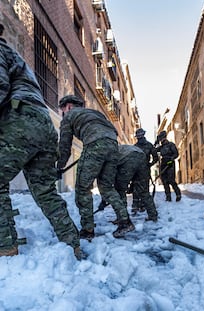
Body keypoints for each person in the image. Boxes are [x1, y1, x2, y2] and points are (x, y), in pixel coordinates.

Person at [0, 24, 81, 259]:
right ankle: (72, 242)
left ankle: (5, 245)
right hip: (44, 125)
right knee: (45, 191)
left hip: (19, 120)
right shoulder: (13, 55)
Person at [57, 95, 135, 240]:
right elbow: (113, 132)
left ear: (68, 107)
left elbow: (64, 146)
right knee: (106, 187)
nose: (64, 113)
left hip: (94, 144)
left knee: (82, 188)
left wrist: (59, 167)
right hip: (113, 146)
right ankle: (125, 222)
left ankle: (87, 230)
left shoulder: (69, 116)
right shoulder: (95, 114)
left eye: (63, 110)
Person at [98, 144, 158, 222]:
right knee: (143, 191)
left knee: (120, 190)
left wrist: (103, 201)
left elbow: (108, 182)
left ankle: (122, 218)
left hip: (129, 158)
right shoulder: (113, 150)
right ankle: (153, 215)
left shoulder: (106, 159)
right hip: (141, 156)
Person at [132, 128, 159, 214]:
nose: (139, 137)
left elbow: (156, 158)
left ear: (143, 135)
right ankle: (135, 205)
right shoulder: (135, 147)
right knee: (135, 187)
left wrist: (149, 165)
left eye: (140, 135)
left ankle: (143, 205)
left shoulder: (149, 145)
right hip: (136, 171)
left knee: (144, 189)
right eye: (138, 136)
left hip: (145, 171)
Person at [155, 130, 181, 202]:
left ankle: (178, 194)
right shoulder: (161, 147)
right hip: (163, 163)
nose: (161, 140)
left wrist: (171, 159)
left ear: (165, 138)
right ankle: (168, 196)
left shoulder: (171, 145)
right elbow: (154, 150)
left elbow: (176, 154)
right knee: (164, 181)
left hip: (170, 163)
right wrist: (156, 142)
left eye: (161, 138)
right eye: (160, 139)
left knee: (171, 180)